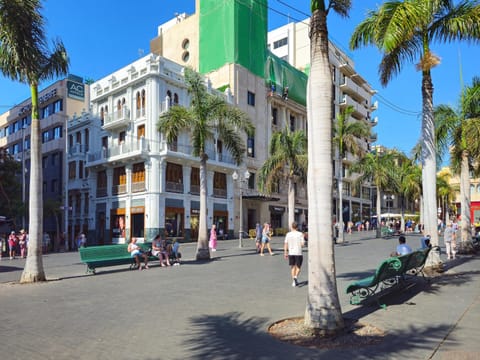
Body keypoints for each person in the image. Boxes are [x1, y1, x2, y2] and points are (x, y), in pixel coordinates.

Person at [284, 221, 305, 287]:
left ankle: (294, 281)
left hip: (291, 253)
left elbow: (286, 244)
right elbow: (302, 244)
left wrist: (285, 252)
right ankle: (295, 277)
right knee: (298, 266)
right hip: (298, 252)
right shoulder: (300, 234)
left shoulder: (288, 234)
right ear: (297, 227)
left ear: (291, 227)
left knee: (292, 267)